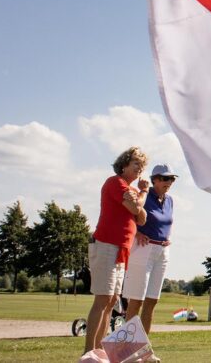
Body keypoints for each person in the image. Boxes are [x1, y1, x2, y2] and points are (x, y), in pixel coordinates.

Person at [83, 147, 149, 355]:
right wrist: (143, 193)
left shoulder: (132, 191)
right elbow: (135, 209)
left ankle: (100, 350)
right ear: (124, 165)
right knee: (102, 299)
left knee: (112, 301)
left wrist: (138, 202)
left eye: (142, 166)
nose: (140, 169)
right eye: (136, 164)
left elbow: (142, 218)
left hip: (122, 250)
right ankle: (88, 352)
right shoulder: (115, 182)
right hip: (107, 245)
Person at [123, 164, 178, 335]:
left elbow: (167, 223)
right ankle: (128, 346)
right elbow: (127, 217)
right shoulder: (144, 196)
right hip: (143, 248)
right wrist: (137, 232)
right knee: (136, 301)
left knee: (152, 300)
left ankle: (143, 346)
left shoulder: (169, 200)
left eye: (171, 179)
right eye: (164, 178)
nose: (168, 182)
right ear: (155, 180)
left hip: (162, 251)